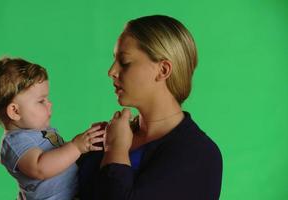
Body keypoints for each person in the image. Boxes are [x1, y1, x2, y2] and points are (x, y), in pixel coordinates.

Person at [78, 15, 223, 200]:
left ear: (163, 70)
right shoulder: (114, 134)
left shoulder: (200, 155)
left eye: (125, 62)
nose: (111, 71)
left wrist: (116, 149)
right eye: (114, 60)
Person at [0, 57, 105, 200]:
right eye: (41, 101)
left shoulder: (40, 131)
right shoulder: (14, 142)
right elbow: (40, 167)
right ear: (15, 111)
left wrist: (88, 140)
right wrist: (76, 146)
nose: (49, 104)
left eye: (47, 99)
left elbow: (60, 158)